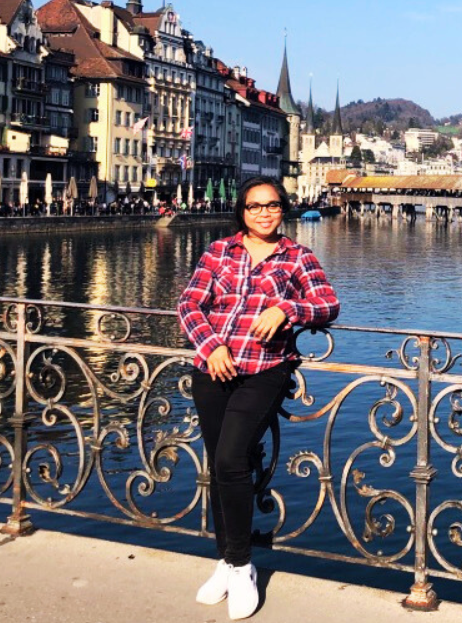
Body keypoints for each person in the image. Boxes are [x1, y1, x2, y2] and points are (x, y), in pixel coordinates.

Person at [177, 175, 340, 620]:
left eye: (272, 205)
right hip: (214, 368)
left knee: (232, 459)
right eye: (255, 206)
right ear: (242, 212)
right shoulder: (218, 252)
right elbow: (189, 305)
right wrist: (212, 346)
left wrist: (287, 308)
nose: (264, 212)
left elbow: (327, 303)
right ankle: (226, 561)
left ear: (282, 209)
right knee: (218, 464)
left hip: (265, 371)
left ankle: (243, 565)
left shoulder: (297, 257)